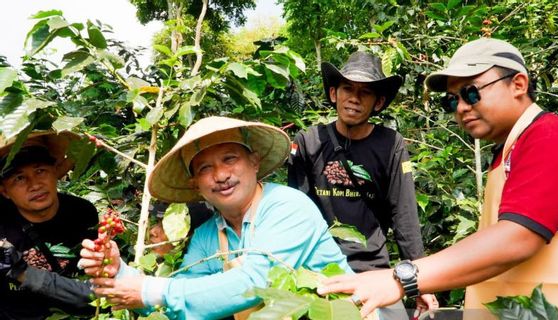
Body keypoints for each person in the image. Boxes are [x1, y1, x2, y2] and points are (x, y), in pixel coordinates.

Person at [317, 38, 558, 319]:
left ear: (518, 84)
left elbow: (516, 239)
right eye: (453, 99)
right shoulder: (507, 151)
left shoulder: (551, 135)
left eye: (471, 93)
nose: (461, 107)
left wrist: (404, 278)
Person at [78, 116, 354, 320]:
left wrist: (148, 289)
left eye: (230, 159)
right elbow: (182, 297)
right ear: (195, 183)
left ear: (254, 162)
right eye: (206, 168)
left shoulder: (286, 206)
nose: (220, 175)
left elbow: (256, 282)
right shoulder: (208, 235)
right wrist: (120, 273)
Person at [288, 51, 436, 317]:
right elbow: (295, 211)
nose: (354, 99)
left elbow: (404, 215)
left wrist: (421, 280)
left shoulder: (390, 144)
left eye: (365, 92)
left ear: (378, 102)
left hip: (375, 272)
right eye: (347, 88)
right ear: (334, 94)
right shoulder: (309, 141)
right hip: (319, 272)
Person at [0, 131, 99, 320]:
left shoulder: (82, 213)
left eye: (40, 171)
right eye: (19, 178)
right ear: (4, 191)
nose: (34, 185)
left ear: (54, 172)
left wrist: (22, 272)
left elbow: (97, 288)